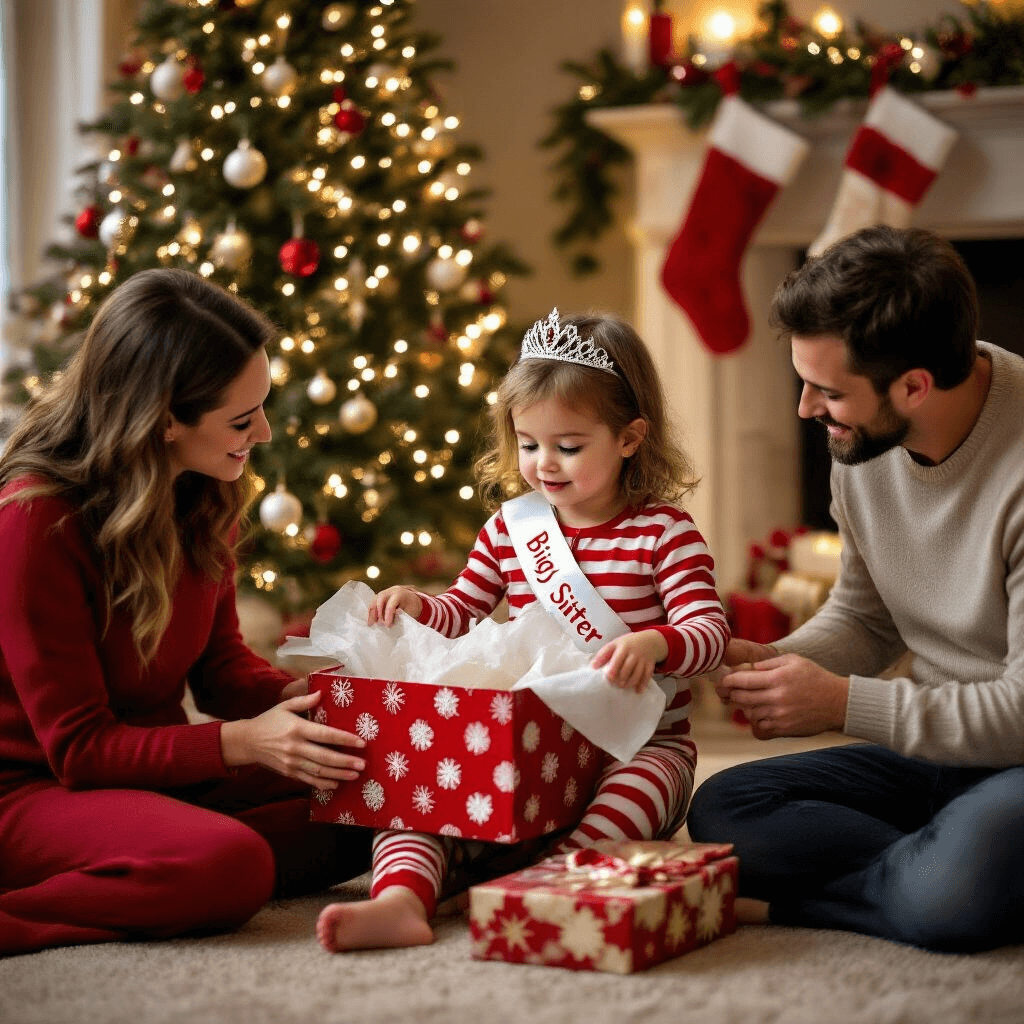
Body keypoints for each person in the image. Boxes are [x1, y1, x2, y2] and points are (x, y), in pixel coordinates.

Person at [316, 308, 730, 952]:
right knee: (422, 791)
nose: (544, 465)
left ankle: (544, 883)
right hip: (531, 751)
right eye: (529, 444)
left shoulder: (665, 535)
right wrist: (419, 607)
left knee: (632, 795)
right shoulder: (512, 529)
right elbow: (463, 610)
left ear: (629, 437)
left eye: (568, 446)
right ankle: (400, 900)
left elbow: (709, 633)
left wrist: (656, 643)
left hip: (639, 747)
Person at [0, 268, 372, 957]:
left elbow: (223, 672)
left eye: (261, 407)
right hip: (30, 791)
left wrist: (317, 700)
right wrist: (245, 743)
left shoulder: (202, 495)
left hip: (150, 775)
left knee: (379, 786)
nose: (261, 432)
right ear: (164, 417)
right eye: (240, 418)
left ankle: (170, 858)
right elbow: (80, 750)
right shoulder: (35, 523)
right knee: (231, 866)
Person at [687, 225, 1024, 953]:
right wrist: (774, 662)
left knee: (950, 894)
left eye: (828, 390)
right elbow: (866, 618)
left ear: (913, 385)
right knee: (725, 805)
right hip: (941, 757)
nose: (806, 408)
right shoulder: (863, 439)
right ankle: (936, 868)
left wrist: (840, 704)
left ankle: (927, 884)